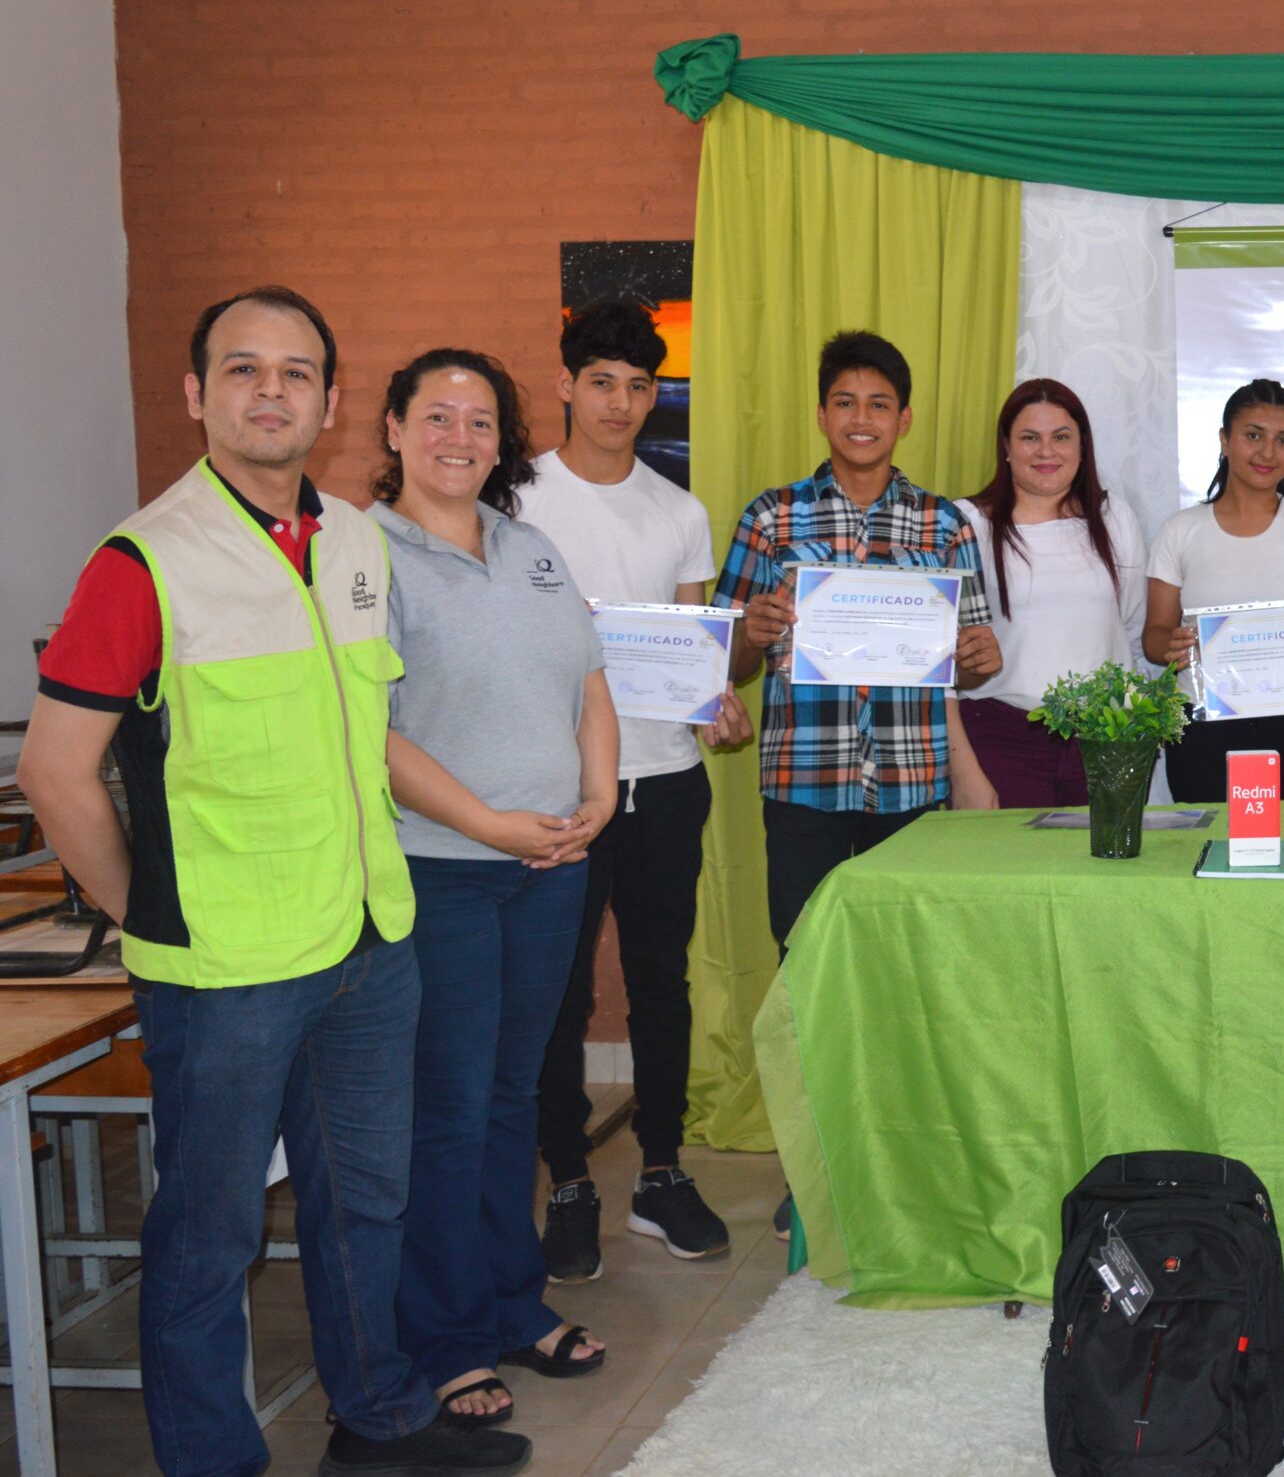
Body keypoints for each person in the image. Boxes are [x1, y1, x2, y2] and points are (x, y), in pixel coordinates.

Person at [18, 288, 532, 1476]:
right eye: (241, 369)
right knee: (211, 1236)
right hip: (227, 969)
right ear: (197, 394)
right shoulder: (140, 559)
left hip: (363, 942)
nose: (270, 391)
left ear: (332, 402)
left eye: (296, 372)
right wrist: (143, 905)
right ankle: (215, 1460)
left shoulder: (354, 540)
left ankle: (380, 1419)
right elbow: (57, 773)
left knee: (366, 1207)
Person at [368, 349, 621, 1422]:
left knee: (512, 1097)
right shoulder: (362, 553)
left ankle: (514, 1304)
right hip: (446, 873)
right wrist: (488, 824)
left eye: (478, 420)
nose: (459, 436)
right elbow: (365, 729)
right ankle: (447, 1336)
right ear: (391, 428)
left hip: (550, 870)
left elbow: (590, 680)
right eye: (436, 416)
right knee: (449, 1109)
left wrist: (599, 796)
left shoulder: (534, 548)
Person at [715, 329, 1000, 1241]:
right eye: (846, 402)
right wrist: (752, 633)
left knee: (903, 982)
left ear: (905, 418)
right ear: (822, 413)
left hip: (914, 787)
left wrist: (980, 654)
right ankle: (816, 1167)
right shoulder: (772, 517)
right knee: (811, 981)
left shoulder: (946, 524)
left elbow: (978, 659)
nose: (862, 419)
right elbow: (723, 661)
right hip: (804, 784)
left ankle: (901, 1166)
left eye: (880, 404)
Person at [517, 299, 749, 1285]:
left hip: (665, 779)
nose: (619, 402)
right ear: (566, 383)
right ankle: (568, 1182)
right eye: (602, 381)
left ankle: (661, 1171)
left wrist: (716, 704)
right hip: (554, 786)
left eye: (638, 385)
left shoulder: (678, 510)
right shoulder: (513, 496)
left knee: (662, 979)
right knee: (557, 993)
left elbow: (690, 657)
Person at [1143, 378, 1284, 802]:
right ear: (1224, 440)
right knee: (1207, 851)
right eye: (1253, 436)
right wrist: (1171, 644)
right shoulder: (1180, 530)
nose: (1268, 453)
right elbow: (1154, 637)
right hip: (1203, 725)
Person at [957, 378, 1146, 806]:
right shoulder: (969, 523)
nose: (1046, 451)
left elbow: (1131, 624)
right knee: (1013, 872)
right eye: (1029, 438)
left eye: (1061, 437)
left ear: (1082, 446)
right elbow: (945, 657)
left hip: (1106, 738)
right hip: (1001, 737)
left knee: (1103, 871)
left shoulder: (1113, 516)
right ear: (1005, 446)